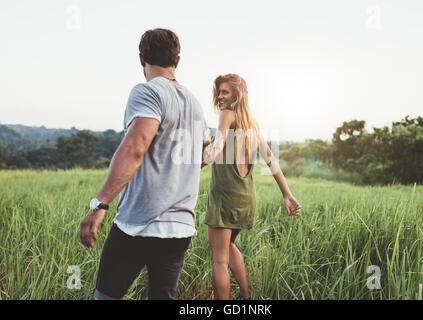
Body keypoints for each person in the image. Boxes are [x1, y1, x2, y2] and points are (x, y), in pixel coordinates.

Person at [79, 28, 210, 300]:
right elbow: (201, 158)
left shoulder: (147, 92)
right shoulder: (196, 105)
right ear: (177, 60)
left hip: (139, 224)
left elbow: (135, 148)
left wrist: (100, 203)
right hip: (180, 227)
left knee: (106, 296)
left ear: (141, 59)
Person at [202, 74, 302, 300]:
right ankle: (245, 296)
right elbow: (271, 160)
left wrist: (199, 161)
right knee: (227, 246)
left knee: (218, 260)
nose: (220, 96)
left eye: (225, 92)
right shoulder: (252, 124)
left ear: (237, 95)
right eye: (219, 92)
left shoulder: (227, 115)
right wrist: (287, 194)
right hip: (245, 199)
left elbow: (217, 145)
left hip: (224, 199)